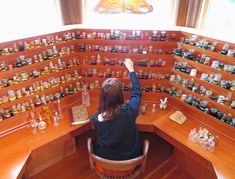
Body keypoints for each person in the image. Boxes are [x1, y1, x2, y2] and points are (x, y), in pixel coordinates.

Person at [90, 58, 142, 161]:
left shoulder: (97, 119)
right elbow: (136, 91)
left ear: (103, 98)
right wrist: (131, 70)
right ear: (120, 95)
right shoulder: (131, 111)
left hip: (105, 159)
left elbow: (94, 118)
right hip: (130, 158)